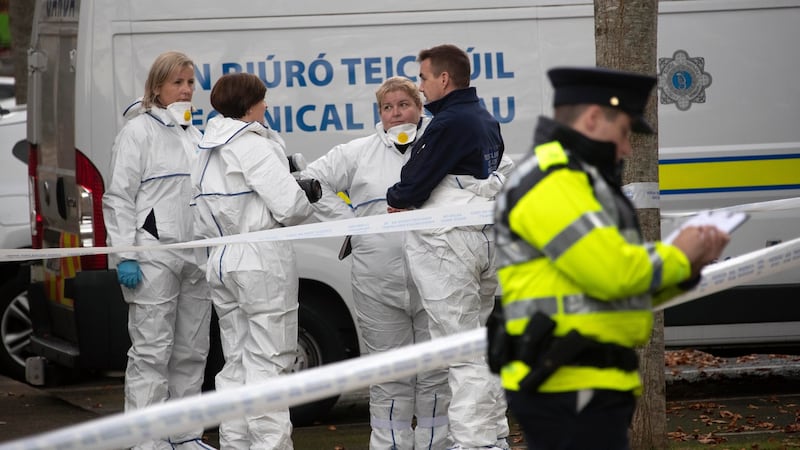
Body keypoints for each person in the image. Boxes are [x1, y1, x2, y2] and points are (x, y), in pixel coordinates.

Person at [492, 66, 731, 449]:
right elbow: (615, 273)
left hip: (584, 381)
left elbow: (615, 289)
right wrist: (679, 256)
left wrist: (690, 267)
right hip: (569, 383)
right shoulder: (552, 183)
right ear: (591, 118)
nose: (627, 148)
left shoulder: (576, 180)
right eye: (623, 132)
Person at [301, 76, 452, 450]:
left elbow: (495, 169)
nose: (396, 113)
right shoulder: (358, 152)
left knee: (435, 372)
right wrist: (350, 225)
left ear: (419, 107)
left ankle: (436, 443)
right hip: (377, 282)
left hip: (435, 278)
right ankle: (390, 444)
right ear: (379, 113)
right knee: (389, 374)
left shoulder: (443, 145)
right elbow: (308, 179)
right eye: (387, 107)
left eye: (404, 104)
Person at [386, 44, 512, 450]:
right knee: (481, 344)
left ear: (443, 78)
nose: (420, 88)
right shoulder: (484, 118)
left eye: (422, 78)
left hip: (449, 246)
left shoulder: (448, 123)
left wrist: (398, 193)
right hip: (483, 240)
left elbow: (410, 186)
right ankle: (494, 435)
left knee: (462, 351)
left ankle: (474, 442)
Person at [191, 72, 313, 450]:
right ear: (248, 106)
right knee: (270, 365)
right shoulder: (252, 145)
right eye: (262, 100)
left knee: (237, 364)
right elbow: (290, 208)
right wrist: (302, 189)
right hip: (261, 259)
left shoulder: (205, 148)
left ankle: (235, 443)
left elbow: (198, 215)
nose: (267, 106)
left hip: (222, 257)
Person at [102, 51, 214, 450]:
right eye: (177, 83)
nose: (186, 90)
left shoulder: (195, 135)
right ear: (156, 88)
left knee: (191, 349)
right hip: (153, 254)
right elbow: (118, 196)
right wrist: (126, 253)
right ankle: (145, 440)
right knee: (152, 352)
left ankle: (184, 435)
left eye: (190, 83)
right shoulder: (138, 132)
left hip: (194, 254)